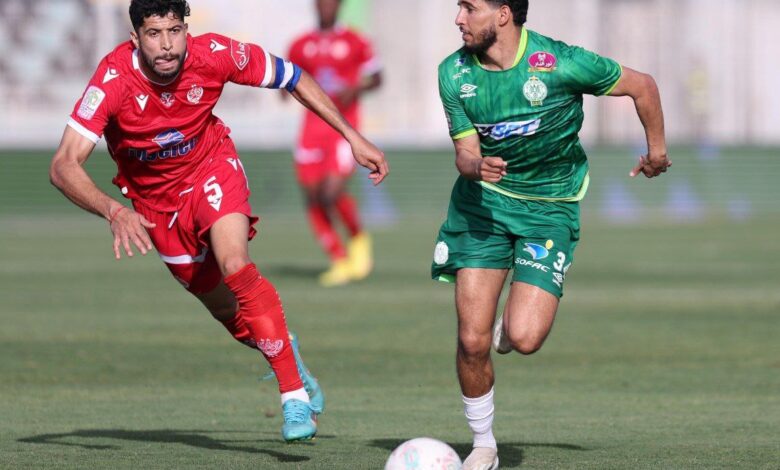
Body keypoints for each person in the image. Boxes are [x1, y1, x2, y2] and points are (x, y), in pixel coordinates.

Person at [49, 0, 388, 442]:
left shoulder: (215, 54)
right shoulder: (113, 78)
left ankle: (293, 398)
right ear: (135, 38)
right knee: (232, 315)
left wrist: (353, 135)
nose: (167, 45)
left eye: (174, 30)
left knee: (235, 264)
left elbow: (293, 76)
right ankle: (289, 355)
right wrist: (113, 210)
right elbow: (63, 165)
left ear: (185, 29)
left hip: (212, 168)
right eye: (154, 34)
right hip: (156, 207)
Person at [430, 1, 670, 468]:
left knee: (524, 337)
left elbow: (643, 86)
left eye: (469, 8)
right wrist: (477, 166)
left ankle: (511, 323)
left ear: (503, 14)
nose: (459, 18)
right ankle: (484, 445)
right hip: (484, 208)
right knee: (471, 340)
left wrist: (656, 152)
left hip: (549, 209)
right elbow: (464, 154)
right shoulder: (453, 73)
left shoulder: (559, 63)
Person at [286, 0, 383, 287]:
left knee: (331, 191)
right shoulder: (301, 44)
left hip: (343, 128)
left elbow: (377, 78)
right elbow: (290, 78)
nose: (325, 6)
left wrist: (356, 87)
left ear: (339, 5)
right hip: (310, 129)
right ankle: (338, 258)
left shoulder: (355, 40)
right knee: (312, 196)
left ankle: (357, 238)